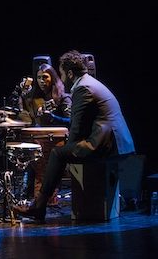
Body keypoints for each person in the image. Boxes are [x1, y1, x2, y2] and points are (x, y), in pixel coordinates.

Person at [13, 50, 135, 222]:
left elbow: (76, 129)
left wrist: (69, 155)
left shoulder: (82, 88)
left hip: (108, 145)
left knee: (58, 153)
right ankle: (39, 205)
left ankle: (38, 206)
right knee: (63, 153)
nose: (61, 78)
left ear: (69, 73)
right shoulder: (90, 83)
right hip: (116, 142)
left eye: (62, 74)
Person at [18, 63, 72, 202]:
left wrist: (53, 118)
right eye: (39, 78)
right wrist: (22, 92)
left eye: (45, 77)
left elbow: (71, 120)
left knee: (42, 163)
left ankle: (43, 198)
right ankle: (31, 196)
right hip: (41, 141)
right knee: (30, 157)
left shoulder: (62, 98)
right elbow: (25, 108)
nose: (42, 81)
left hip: (60, 140)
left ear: (52, 78)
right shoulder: (35, 98)